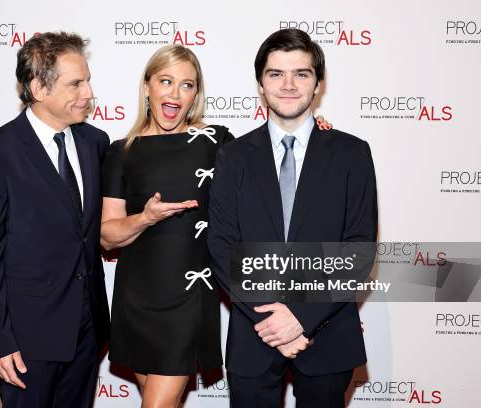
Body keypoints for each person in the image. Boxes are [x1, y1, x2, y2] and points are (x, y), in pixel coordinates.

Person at [208, 28, 378, 408]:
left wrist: (299, 316)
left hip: (328, 331)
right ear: (260, 84)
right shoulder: (232, 156)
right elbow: (221, 246)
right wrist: (274, 320)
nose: (288, 84)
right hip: (255, 332)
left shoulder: (353, 154)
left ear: (318, 83)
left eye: (301, 74)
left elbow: (358, 250)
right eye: (275, 74)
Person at [0, 32, 110, 408]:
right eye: (76, 83)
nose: (89, 93)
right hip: (26, 340)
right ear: (38, 88)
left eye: (88, 80)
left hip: (87, 330)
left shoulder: (96, 143)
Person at [100, 44, 231, 407]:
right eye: (166, 81)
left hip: (189, 297)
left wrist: (314, 136)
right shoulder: (121, 151)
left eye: (187, 85)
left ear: (195, 95)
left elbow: (267, 160)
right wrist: (146, 217)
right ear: (147, 87)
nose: (175, 93)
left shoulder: (215, 142)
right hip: (136, 298)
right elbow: (107, 235)